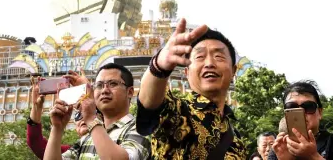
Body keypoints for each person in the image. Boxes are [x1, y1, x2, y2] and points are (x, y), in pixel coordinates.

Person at [136, 18, 247, 159]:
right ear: (187, 73)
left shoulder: (236, 138)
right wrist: (159, 67)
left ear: (233, 71)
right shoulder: (178, 112)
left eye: (219, 57)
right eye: (200, 56)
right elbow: (149, 104)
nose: (209, 63)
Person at [44, 63, 151, 160]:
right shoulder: (88, 137)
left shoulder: (141, 129)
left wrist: (91, 119)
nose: (104, 90)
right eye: (99, 85)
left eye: (113, 84)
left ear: (130, 92)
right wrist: (57, 128)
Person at [272, 80, 333, 159]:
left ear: (320, 113)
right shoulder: (279, 147)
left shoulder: (330, 142)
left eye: (309, 106)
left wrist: (313, 156)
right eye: (291, 107)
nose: (302, 112)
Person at [26, 77, 70, 159]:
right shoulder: (74, 151)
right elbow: (35, 142)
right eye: (78, 116)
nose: (82, 121)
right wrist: (36, 108)